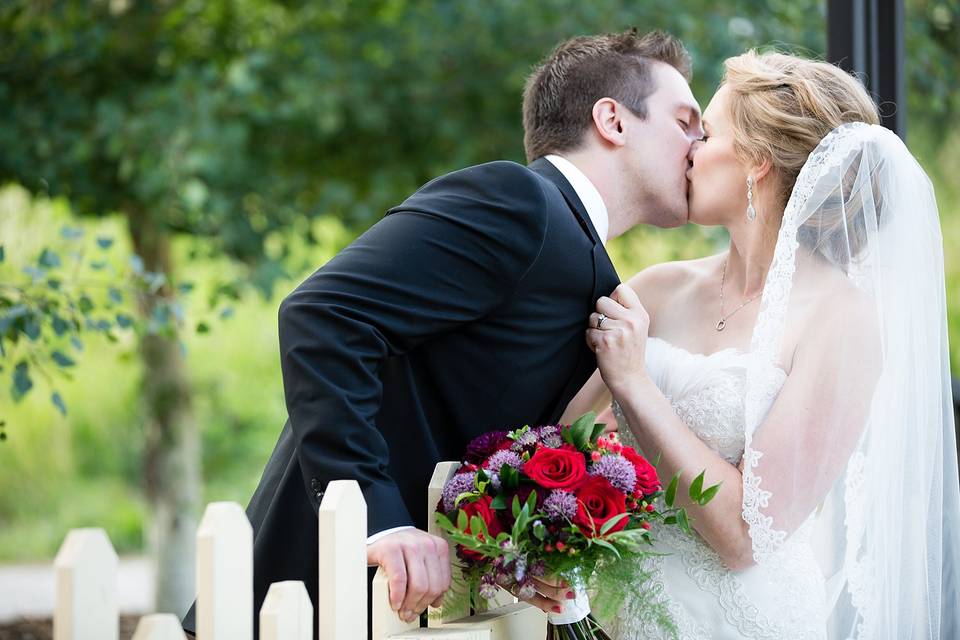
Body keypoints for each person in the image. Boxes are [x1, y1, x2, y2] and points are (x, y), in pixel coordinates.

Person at [181, 28, 705, 639]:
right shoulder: (516, 200)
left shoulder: (594, 269)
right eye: (685, 120)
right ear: (613, 120)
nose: (700, 144)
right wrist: (376, 518)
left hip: (416, 614)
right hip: (313, 594)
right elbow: (324, 314)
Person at [566, 50, 960, 638]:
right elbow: (559, 440)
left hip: (746, 619)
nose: (690, 147)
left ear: (756, 162)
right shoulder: (657, 289)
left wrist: (635, 384)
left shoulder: (842, 320)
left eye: (709, 131)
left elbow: (747, 536)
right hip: (626, 610)